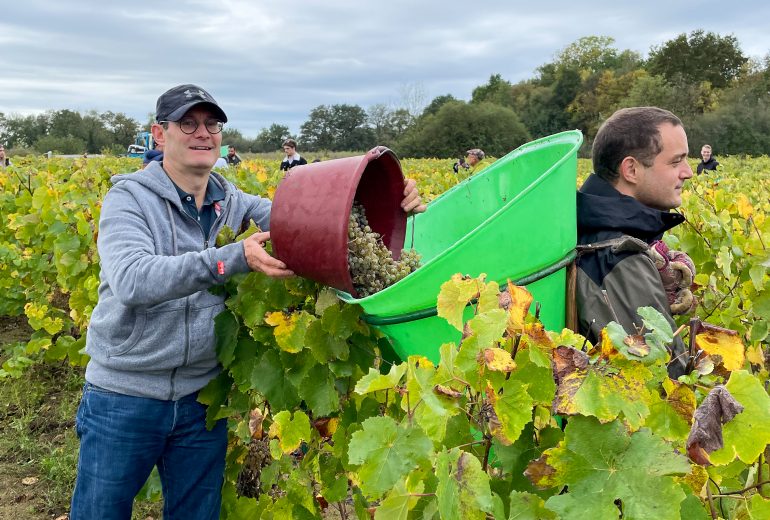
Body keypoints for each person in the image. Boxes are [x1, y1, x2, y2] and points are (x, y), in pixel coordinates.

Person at [69, 83, 425, 519]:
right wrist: (230, 259)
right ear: (159, 135)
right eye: (188, 123)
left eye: (212, 124)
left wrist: (390, 204)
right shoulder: (128, 199)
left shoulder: (229, 200)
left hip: (202, 399)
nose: (204, 133)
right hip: (124, 395)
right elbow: (131, 280)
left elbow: (305, 218)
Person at [575, 107, 695, 378]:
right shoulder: (619, 258)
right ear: (631, 169)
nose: (687, 172)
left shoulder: (591, 227)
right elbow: (664, 379)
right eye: (676, 162)